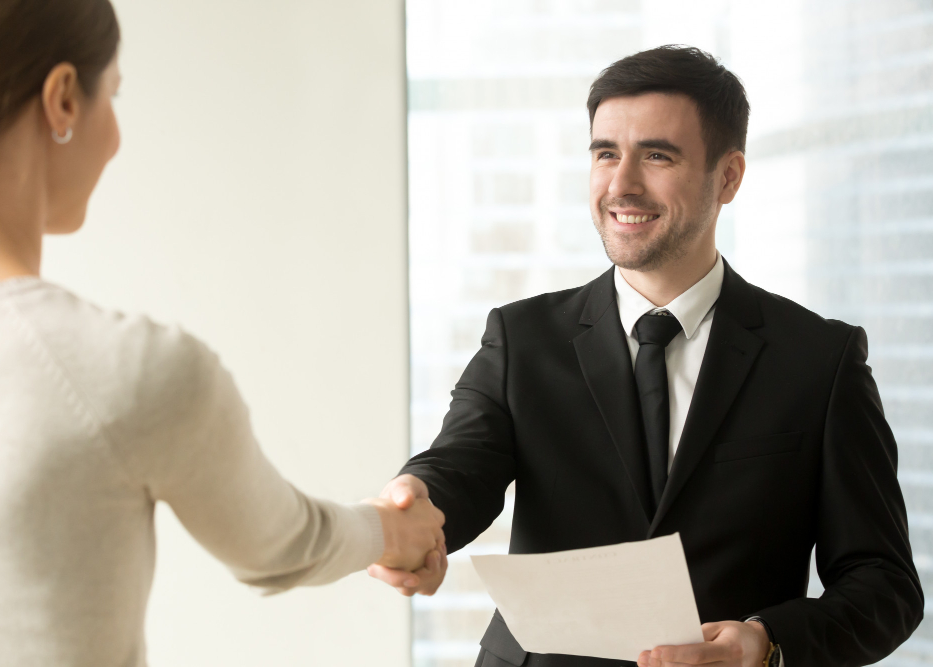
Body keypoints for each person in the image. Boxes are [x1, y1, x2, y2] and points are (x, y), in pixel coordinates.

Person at [369, 46, 924, 667]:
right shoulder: (521, 337)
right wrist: (412, 506)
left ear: (729, 177)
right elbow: (459, 466)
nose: (621, 184)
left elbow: (885, 586)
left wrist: (767, 642)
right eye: (605, 153)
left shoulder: (819, 360)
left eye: (657, 155)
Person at [0, 0, 444, 664]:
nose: (115, 136)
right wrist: (395, 531)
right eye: (111, 95)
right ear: (61, 100)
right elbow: (282, 543)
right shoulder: (120, 368)